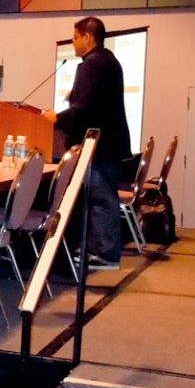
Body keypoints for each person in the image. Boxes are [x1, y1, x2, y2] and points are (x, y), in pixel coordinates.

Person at [42, 16, 131, 270]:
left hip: (100, 146)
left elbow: (84, 109)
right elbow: (93, 101)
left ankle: (104, 253)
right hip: (111, 143)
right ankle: (98, 248)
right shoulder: (109, 61)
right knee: (100, 197)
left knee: (100, 198)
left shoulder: (92, 65)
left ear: (88, 37)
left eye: (74, 38)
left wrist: (56, 117)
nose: (73, 44)